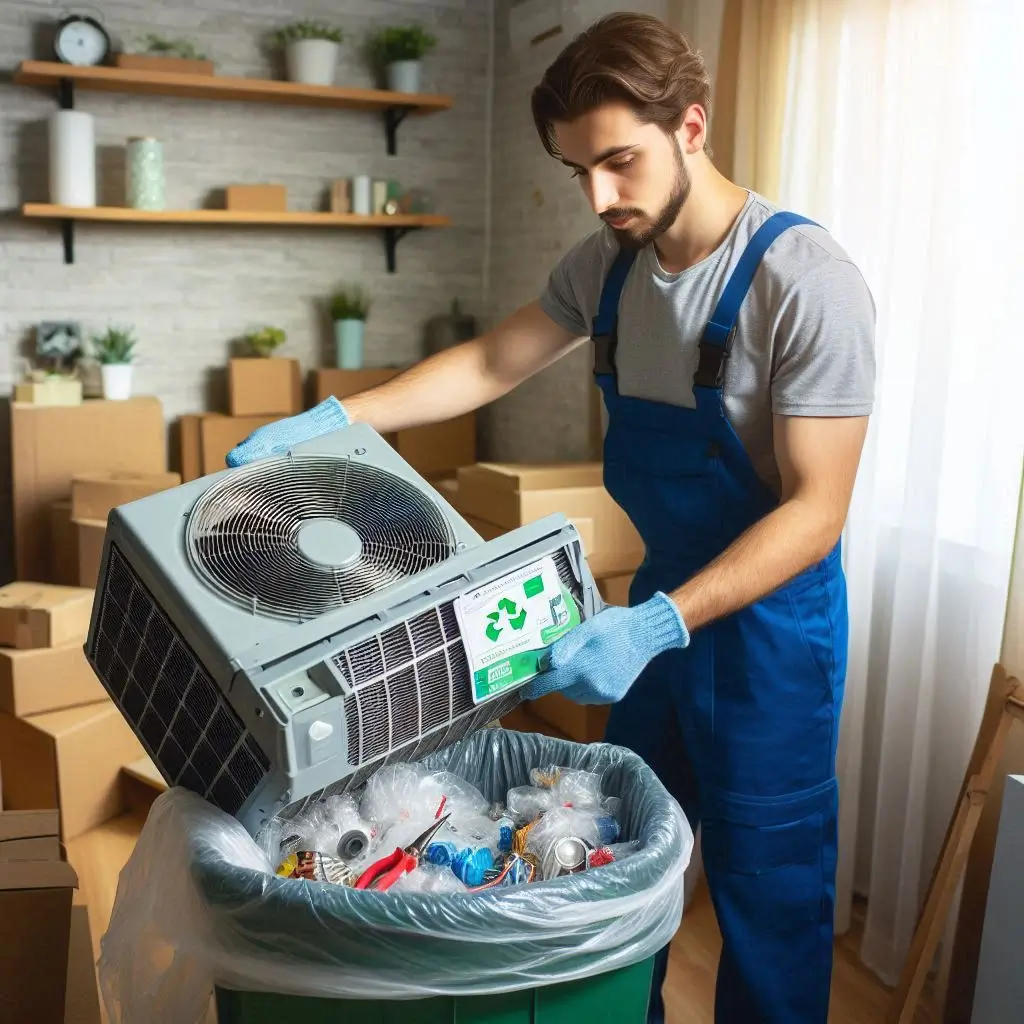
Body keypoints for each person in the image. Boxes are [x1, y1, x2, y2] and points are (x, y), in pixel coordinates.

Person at [227, 12, 875, 1023]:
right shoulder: (607, 269)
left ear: (691, 126)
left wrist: (659, 624)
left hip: (769, 639)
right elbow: (491, 362)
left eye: (618, 162)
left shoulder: (805, 284)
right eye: (578, 171)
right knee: (610, 862)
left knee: (767, 893)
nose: (599, 197)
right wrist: (343, 416)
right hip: (657, 606)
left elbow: (817, 510)